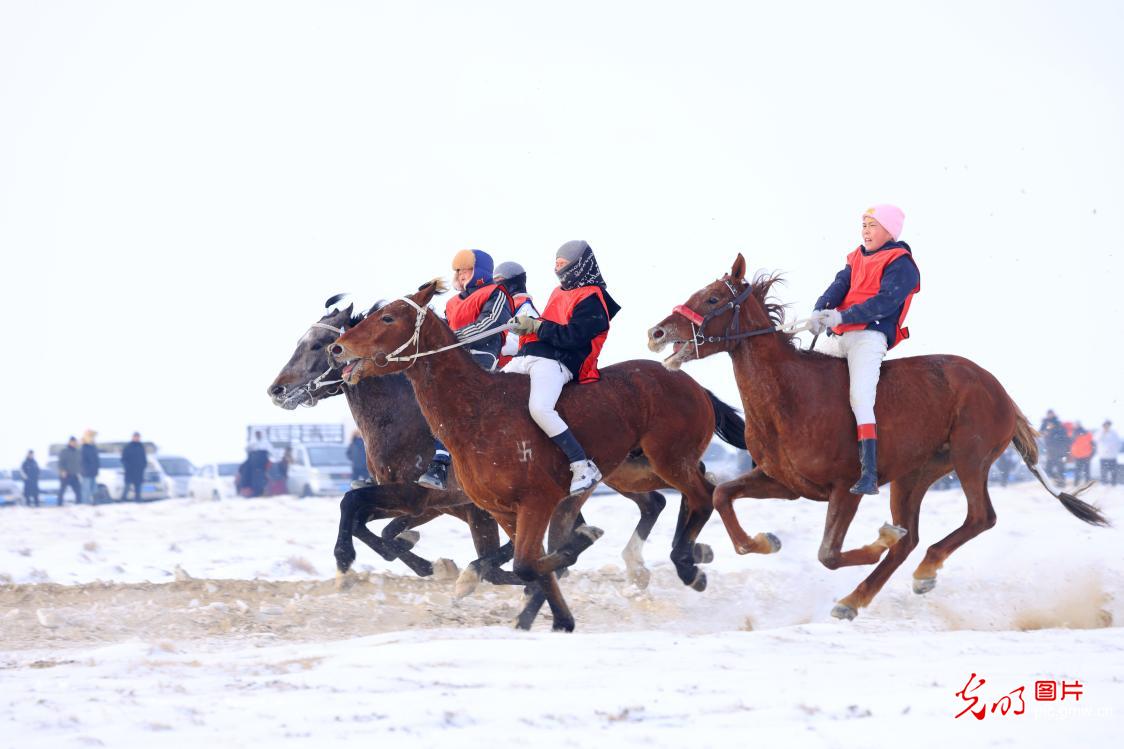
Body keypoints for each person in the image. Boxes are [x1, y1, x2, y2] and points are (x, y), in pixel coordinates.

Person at [807, 204, 920, 495]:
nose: (866, 231)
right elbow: (838, 286)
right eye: (864, 224)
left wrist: (843, 316)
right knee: (808, 384)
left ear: (889, 231)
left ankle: (869, 472)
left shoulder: (902, 262)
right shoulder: (855, 257)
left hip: (869, 336)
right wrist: (820, 310)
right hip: (839, 332)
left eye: (872, 225)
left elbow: (885, 302)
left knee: (860, 396)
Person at [504, 240, 621, 495]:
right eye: (556, 264)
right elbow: (548, 324)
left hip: (560, 363)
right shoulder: (559, 292)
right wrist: (528, 326)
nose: (558, 269)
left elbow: (574, 337)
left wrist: (537, 327)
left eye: (563, 264)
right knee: (492, 393)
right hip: (531, 355)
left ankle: (581, 464)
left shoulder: (593, 298)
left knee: (540, 408)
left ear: (580, 266)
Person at [417, 249, 516, 490]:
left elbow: (490, 323)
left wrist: (450, 340)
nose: (462, 276)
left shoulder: (496, 292)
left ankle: (443, 461)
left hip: (481, 355)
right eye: (459, 271)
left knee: (453, 399)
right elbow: (443, 328)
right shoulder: (451, 303)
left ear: (480, 272)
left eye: (467, 270)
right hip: (451, 357)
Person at [494, 260, 541, 369]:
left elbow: (517, 341)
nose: (496, 287)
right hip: (496, 363)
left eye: (499, 281)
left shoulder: (526, 309)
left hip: (510, 369)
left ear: (513, 282)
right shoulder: (503, 304)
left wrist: (492, 344)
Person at [121, 432, 147, 501]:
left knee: (138, 485)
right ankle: (123, 499)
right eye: (135, 437)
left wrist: (143, 465)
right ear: (132, 437)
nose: (137, 438)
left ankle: (138, 499)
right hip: (130, 470)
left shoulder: (141, 446)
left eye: (138, 437)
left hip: (139, 470)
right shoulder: (128, 446)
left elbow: (144, 458)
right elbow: (123, 459)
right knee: (127, 485)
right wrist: (126, 467)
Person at [245, 430, 272, 497]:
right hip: (254, 463)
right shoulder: (252, 442)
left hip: (263, 463)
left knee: (264, 478)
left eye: (259, 434)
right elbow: (247, 449)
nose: (258, 435)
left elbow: (271, 451)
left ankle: (264, 491)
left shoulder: (266, 442)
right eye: (257, 434)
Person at [57, 436, 82, 506]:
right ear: (69, 442)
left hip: (74, 474)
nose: (74, 443)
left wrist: (79, 471)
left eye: (75, 442)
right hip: (65, 474)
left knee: (78, 491)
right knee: (62, 490)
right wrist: (62, 471)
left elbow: (79, 463)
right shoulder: (64, 451)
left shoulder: (77, 452)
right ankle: (59, 504)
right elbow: (61, 462)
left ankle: (79, 505)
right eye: (73, 442)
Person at [1095, 420, 1120, 486]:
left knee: (1113, 472)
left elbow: (1118, 442)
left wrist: (1116, 450)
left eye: (1108, 425)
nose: (1106, 426)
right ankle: (1103, 484)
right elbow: (1096, 440)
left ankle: (1113, 484)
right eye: (1105, 425)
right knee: (1103, 472)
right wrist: (1103, 433)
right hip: (1103, 456)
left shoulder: (1114, 433)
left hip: (1112, 456)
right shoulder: (1099, 433)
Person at [79, 429, 101, 504]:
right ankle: (85, 503)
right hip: (86, 472)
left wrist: (96, 469)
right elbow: (82, 461)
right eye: (91, 437)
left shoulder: (93, 447)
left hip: (93, 472)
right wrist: (85, 470)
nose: (92, 438)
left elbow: (96, 460)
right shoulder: (83, 448)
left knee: (94, 489)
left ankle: (95, 503)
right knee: (86, 489)